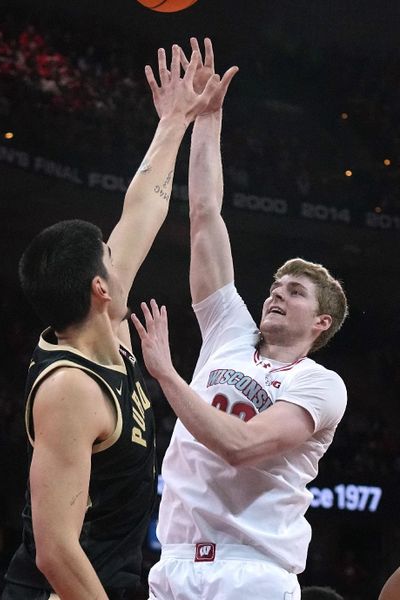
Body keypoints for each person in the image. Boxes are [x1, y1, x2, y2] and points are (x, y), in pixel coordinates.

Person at [2, 46, 229, 600]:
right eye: (109, 253)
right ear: (100, 288)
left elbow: (143, 210)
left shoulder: (104, 319)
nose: (117, 249)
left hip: (111, 580)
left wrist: (174, 122)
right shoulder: (71, 390)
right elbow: (56, 552)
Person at [130, 38, 349, 599]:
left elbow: (241, 446)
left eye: (295, 292)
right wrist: (209, 116)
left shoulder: (319, 385)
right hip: (175, 559)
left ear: (320, 322)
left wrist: (169, 377)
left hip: (250, 571)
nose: (276, 295)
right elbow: (205, 215)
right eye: (275, 286)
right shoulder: (229, 329)